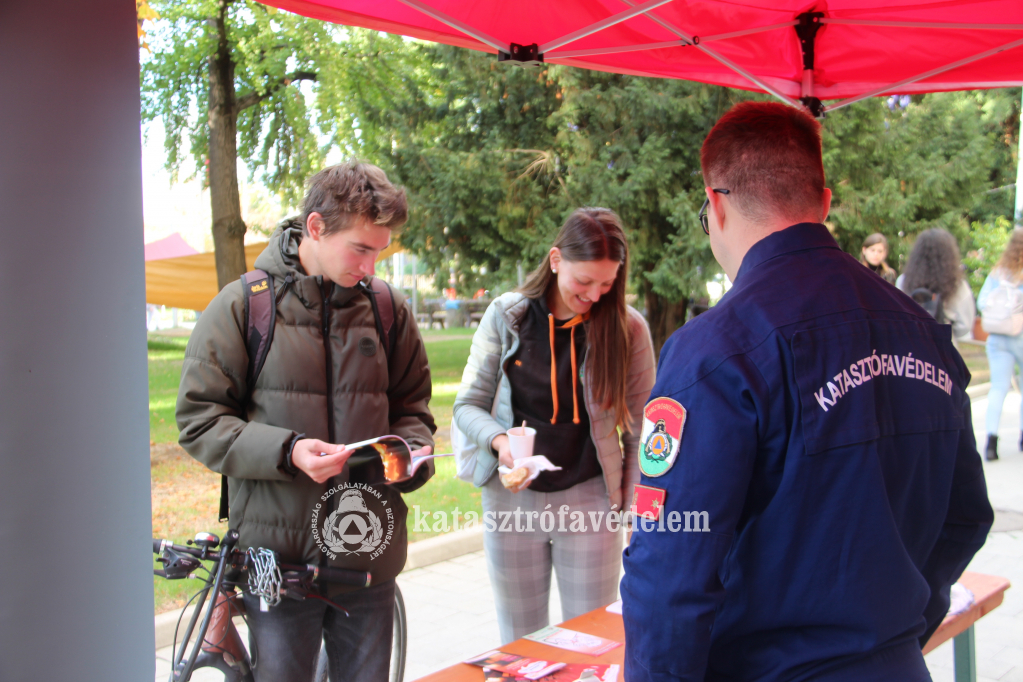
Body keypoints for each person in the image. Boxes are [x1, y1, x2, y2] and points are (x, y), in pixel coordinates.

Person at [621, 102, 992, 682]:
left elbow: (670, 568)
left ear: (715, 205)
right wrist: (896, 633)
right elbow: (966, 517)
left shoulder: (717, 349)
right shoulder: (925, 333)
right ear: (823, 201)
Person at [176, 161, 436, 682]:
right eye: (360, 248)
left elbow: (414, 411)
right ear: (315, 227)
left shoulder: (388, 309)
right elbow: (199, 421)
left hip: (368, 562)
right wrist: (287, 450)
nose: (371, 264)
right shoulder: (242, 307)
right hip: (278, 568)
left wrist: (411, 454)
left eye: (380, 250)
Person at [453, 208, 655, 644]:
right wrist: (500, 441)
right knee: (520, 640)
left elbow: (644, 436)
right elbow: (467, 405)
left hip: (590, 499)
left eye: (607, 283)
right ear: (556, 259)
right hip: (512, 500)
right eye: (584, 281)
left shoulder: (628, 329)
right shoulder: (507, 316)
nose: (596, 294)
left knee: (591, 638)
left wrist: (638, 513)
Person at [977, 229, 1023, 461]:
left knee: (998, 387)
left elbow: (982, 301)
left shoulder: (998, 272)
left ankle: (991, 442)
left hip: (997, 337)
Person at [896, 228, 976, 341]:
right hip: (944, 348)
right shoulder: (957, 286)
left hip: (910, 346)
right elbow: (964, 326)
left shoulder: (903, 281)